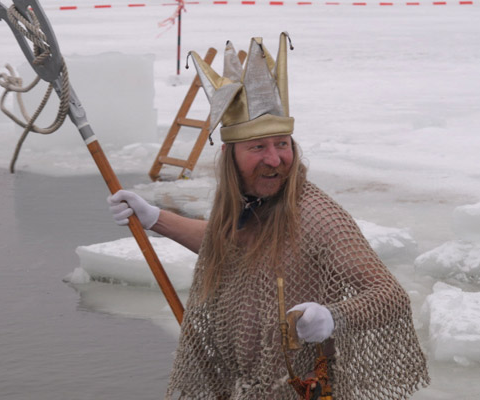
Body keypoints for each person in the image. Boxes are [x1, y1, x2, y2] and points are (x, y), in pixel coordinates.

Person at [108, 33, 429, 399]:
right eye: (258, 147)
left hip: (301, 391)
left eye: (282, 144)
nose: (275, 159)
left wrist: (332, 316)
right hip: (240, 387)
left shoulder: (316, 215)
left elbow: (389, 295)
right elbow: (226, 246)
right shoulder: (245, 205)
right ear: (231, 155)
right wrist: (154, 218)